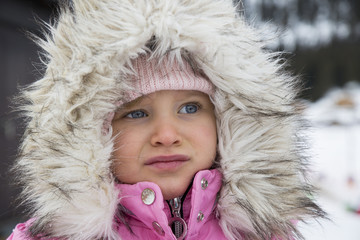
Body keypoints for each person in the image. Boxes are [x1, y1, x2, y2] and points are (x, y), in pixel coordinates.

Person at [8, 0, 325, 239]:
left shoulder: (263, 231)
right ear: (92, 135)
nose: (167, 134)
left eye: (189, 108)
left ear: (228, 122)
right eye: (136, 113)